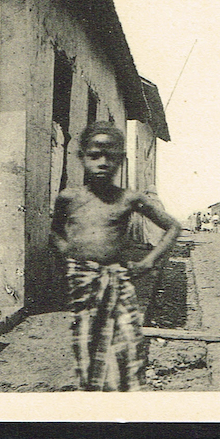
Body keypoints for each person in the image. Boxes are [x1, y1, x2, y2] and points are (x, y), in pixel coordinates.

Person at [50, 122, 181, 391]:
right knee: (88, 347)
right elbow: (55, 233)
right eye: (94, 155)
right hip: (83, 284)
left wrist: (148, 262)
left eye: (110, 156)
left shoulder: (129, 199)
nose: (102, 163)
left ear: (121, 160)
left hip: (117, 283)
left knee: (128, 346)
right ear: (81, 157)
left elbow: (173, 226)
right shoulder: (69, 198)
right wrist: (68, 255)